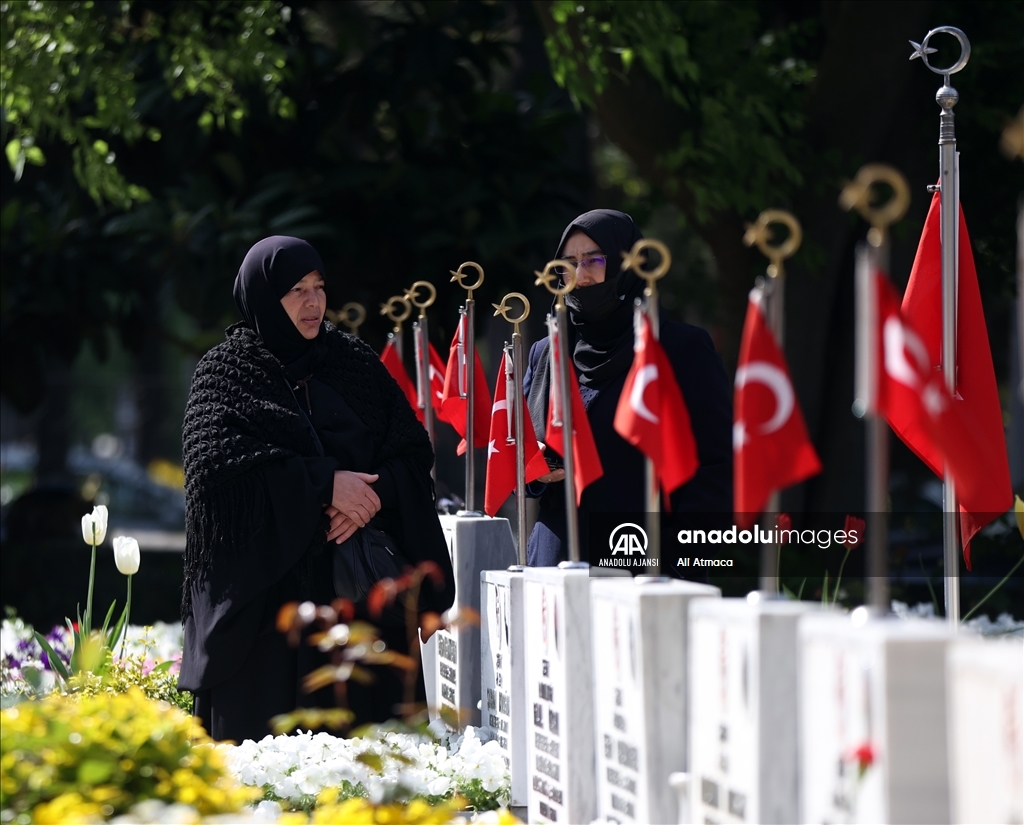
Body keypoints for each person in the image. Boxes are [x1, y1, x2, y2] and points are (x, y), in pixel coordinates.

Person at [178, 236, 454, 742]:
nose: (313, 302)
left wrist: (365, 499)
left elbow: (411, 455)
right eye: (296, 291)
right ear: (262, 297)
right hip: (266, 617)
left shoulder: (353, 362)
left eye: (319, 287)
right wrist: (325, 486)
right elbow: (214, 472)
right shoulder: (225, 373)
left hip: (358, 603)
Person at [524, 209, 733, 565]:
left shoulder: (678, 349)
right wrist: (534, 469)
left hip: (646, 564)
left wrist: (677, 556)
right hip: (555, 562)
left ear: (627, 264)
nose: (581, 275)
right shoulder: (548, 352)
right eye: (568, 263)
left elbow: (715, 468)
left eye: (594, 260)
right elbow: (520, 455)